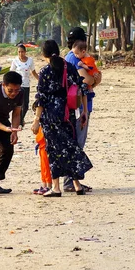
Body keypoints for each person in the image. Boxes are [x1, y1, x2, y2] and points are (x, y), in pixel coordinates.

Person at [31, 39, 93, 197]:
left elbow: (41, 98)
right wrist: (84, 111)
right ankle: (77, 184)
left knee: (54, 150)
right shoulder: (70, 67)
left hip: (50, 116)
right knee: (69, 146)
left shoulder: (45, 71)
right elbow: (82, 88)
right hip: (68, 113)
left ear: (44, 54)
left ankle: (56, 187)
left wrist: (36, 120)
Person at [64, 27, 97, 193]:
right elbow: (89, 79)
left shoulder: (70, 57)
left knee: (76, 141)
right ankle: (71, 181)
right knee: (77, 142)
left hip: (77, 104)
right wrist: (96, 79)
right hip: (79, 106)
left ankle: (72, 180)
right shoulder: (75, 59)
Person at [9, 44, 39, 126]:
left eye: (22, 52)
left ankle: (21, 119)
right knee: (18, 104)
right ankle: (19, 122)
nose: (20, 54)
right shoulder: (15, 61)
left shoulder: (30, 60)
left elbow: (34, 72)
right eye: (19, 52)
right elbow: (11, 73)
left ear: (25, 52)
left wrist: (41, 80)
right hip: (17, 86)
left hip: (26, 85)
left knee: (25, 105)